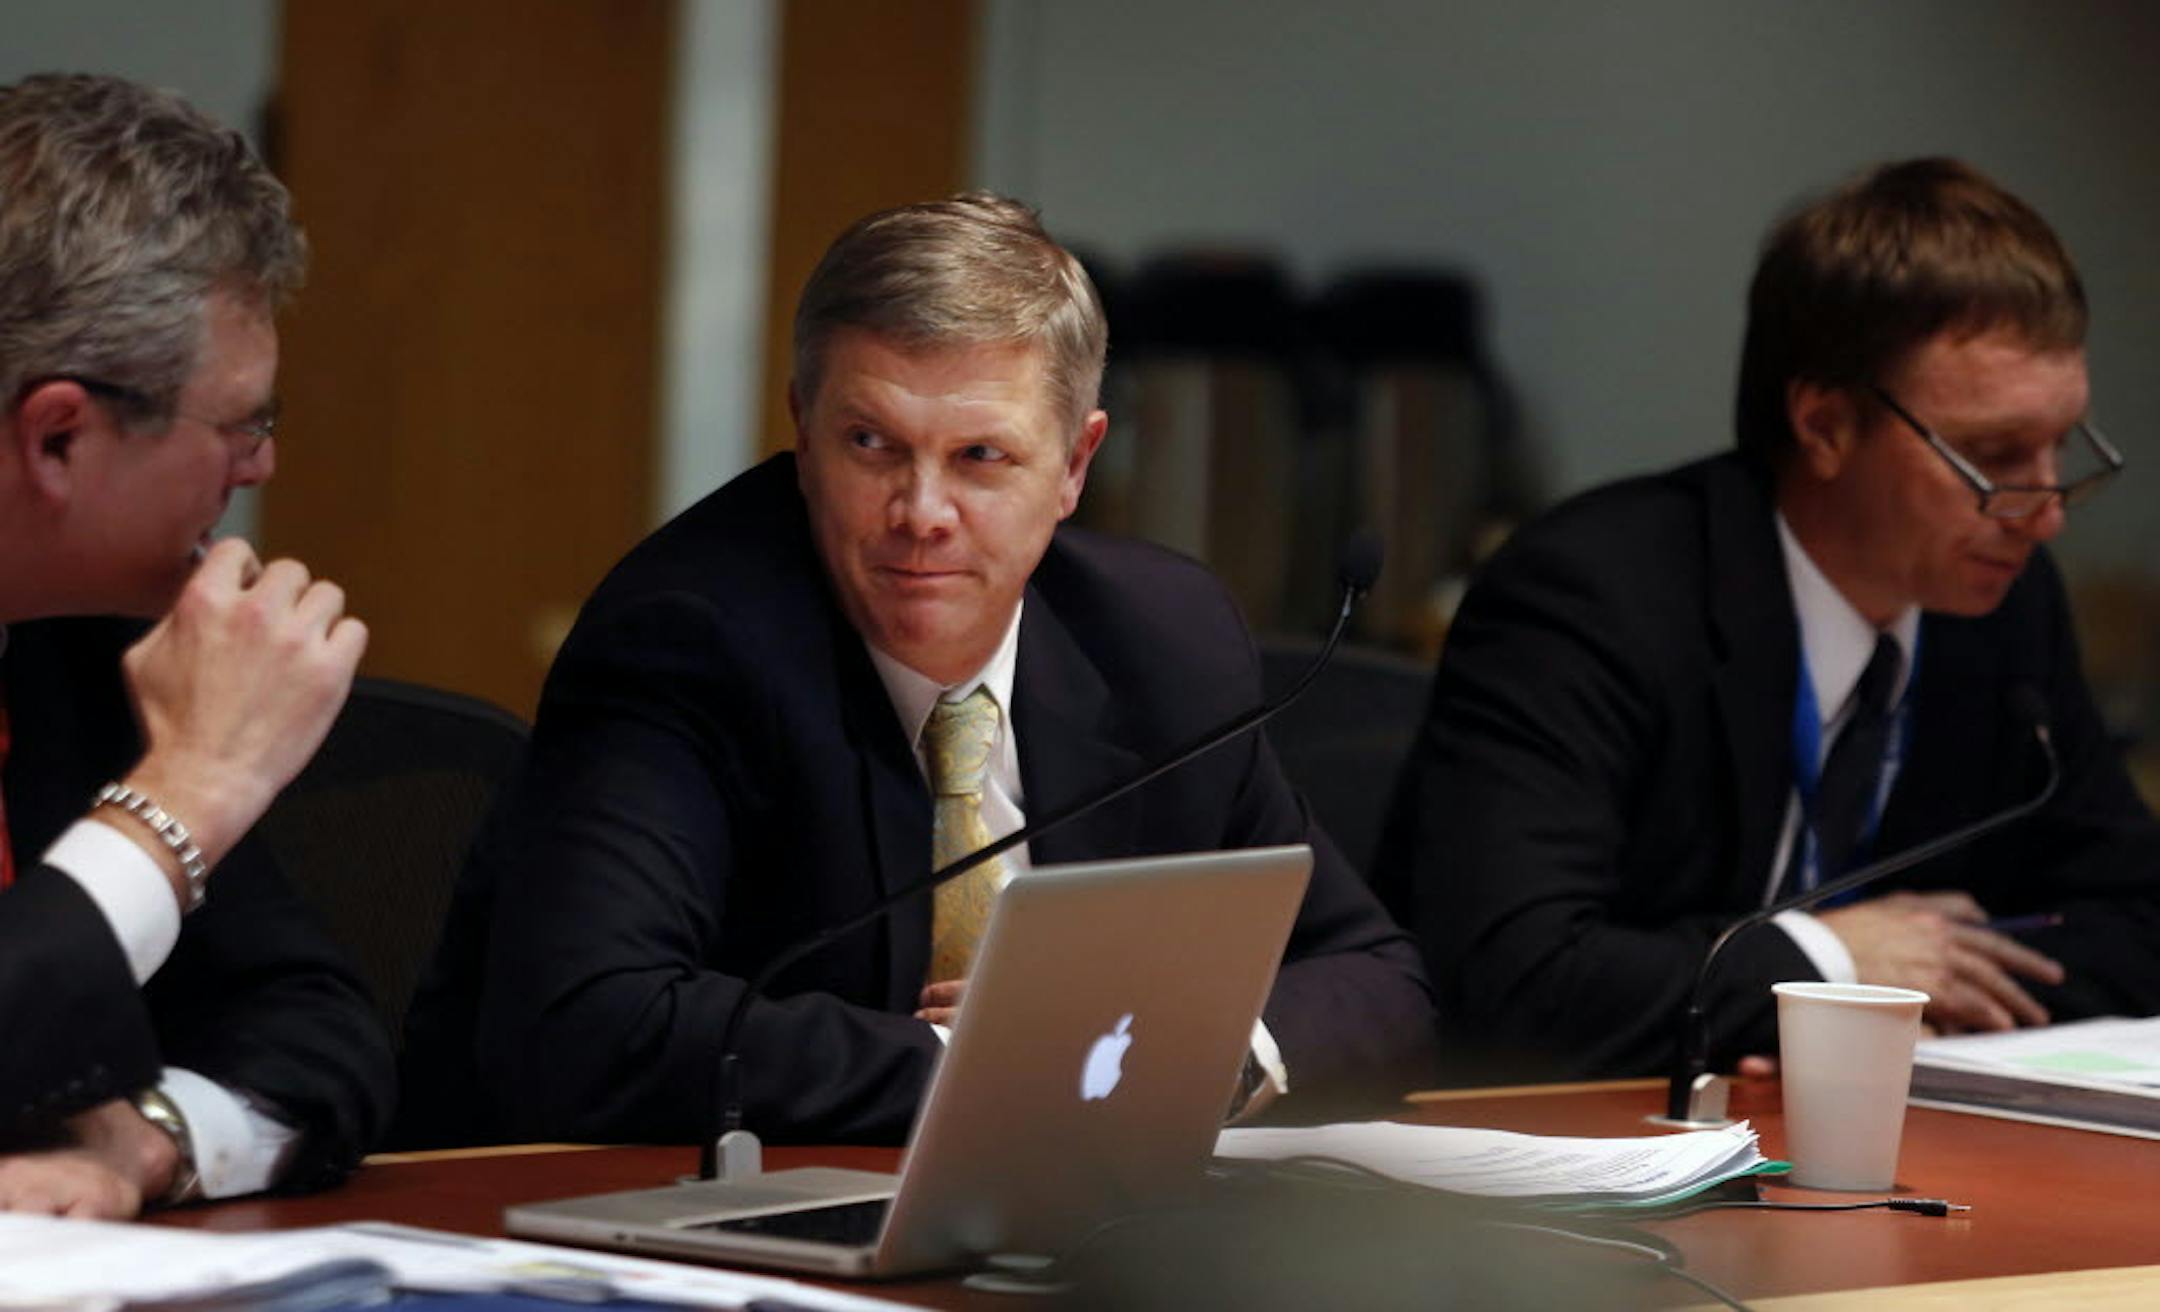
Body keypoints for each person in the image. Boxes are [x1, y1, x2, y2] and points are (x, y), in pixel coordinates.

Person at [402, 194, 1437, 1146]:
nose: (922, 513)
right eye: (872, 444)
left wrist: (1201, 1053)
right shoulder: (689, 638)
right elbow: (591, 1024)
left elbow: (1377, 977)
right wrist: (1011, 1063)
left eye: (981, 458)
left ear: (1076, 465)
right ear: (802, 433)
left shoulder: (1162, 637)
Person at [1375, 158, 2160, 1081]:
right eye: (1993, 457)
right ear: (1825, 426)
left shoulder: (1999, 602)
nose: (2046, 510)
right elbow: (1509, 977)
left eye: (2059, 446)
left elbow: (2135, 920)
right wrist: (1825, 971)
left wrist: (1901, 1019)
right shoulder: (1595, 595)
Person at [0, 74, 392, 1216]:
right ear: (61, 434)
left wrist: (153, 1144)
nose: (260, 466)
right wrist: (184, 796)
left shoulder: (96, 640)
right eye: (242, 422)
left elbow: (321, 1029)